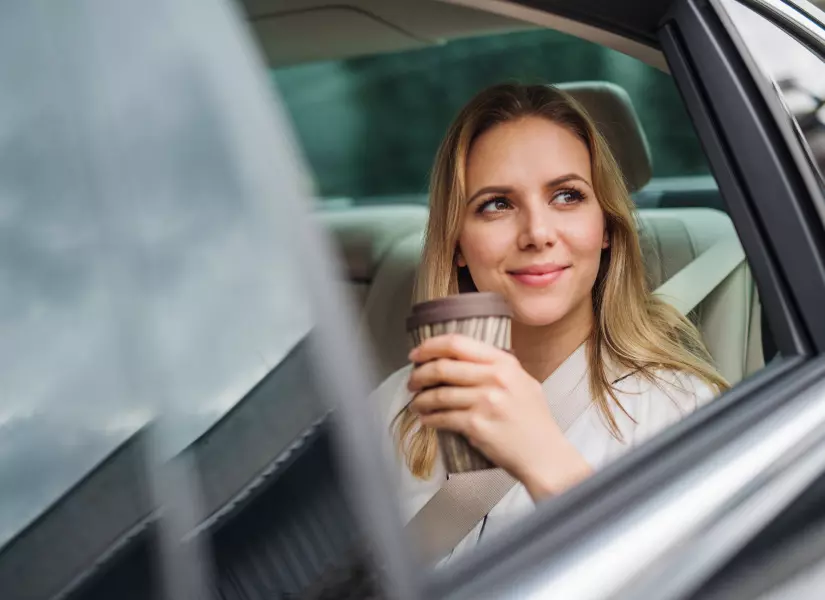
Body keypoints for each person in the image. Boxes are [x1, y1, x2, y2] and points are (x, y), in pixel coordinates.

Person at [372, 83, 728, 561]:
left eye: (566, 195)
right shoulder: (396, 408)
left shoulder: (680, 412)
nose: (537, 233)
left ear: (605, 227)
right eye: (497, 203)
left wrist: (545, 459)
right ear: (457, 241)